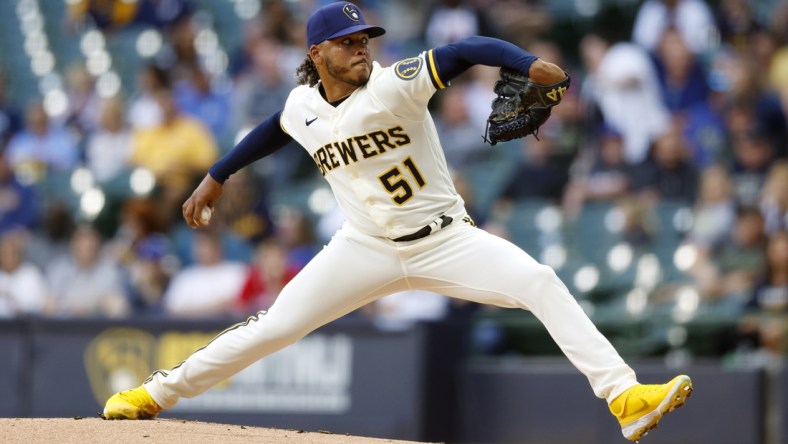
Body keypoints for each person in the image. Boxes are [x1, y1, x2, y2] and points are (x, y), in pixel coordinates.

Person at [102, 3, 693, 441]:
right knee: (271, 327)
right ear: (317, 55)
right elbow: (273, 130)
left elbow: (462, 52)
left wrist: (526, 62)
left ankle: (624, 397)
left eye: (365, 38)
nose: (361, 47)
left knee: (539, 280)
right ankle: (153, 394)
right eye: (347, 41)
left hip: (446, 241)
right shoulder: (303, 106)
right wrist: (216, 175)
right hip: (362, 248)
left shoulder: (393, 86)